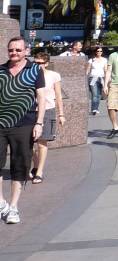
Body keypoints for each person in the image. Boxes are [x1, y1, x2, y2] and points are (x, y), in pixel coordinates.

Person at [0, 38, 46, 225]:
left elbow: (41, 98)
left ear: (26, 50)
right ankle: (1, 202)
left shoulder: (35, 70)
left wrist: (39, 123)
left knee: (19, 165)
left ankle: (13, 207)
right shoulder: (1, 70)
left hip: (24, 123)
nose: (14, 53)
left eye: (18, 50)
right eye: (11, 50)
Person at [29, 51, 64, 184]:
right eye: (35, 63)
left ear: (47, 63)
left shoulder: (54, 76)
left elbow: (58, 96)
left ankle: (39, 171)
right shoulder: (30, 75)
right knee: (27, 144)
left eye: (40, 63)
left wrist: (61, 114)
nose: (37, 66)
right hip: (31, 111)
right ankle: (36, 164)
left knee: (42, 143)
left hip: (48, 110)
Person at [86, 46, 107, 115]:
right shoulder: (91, 60)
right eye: (98, 51)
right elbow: (88, 70)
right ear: (95, 52)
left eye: (101, 51)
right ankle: (94, 109)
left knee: (99, 95)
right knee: (94, 94)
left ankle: (96, 108)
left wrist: (108, 77)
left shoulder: (104, 60)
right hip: (93, 78)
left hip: (101, 78)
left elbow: (106, 70)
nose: (99, 52)